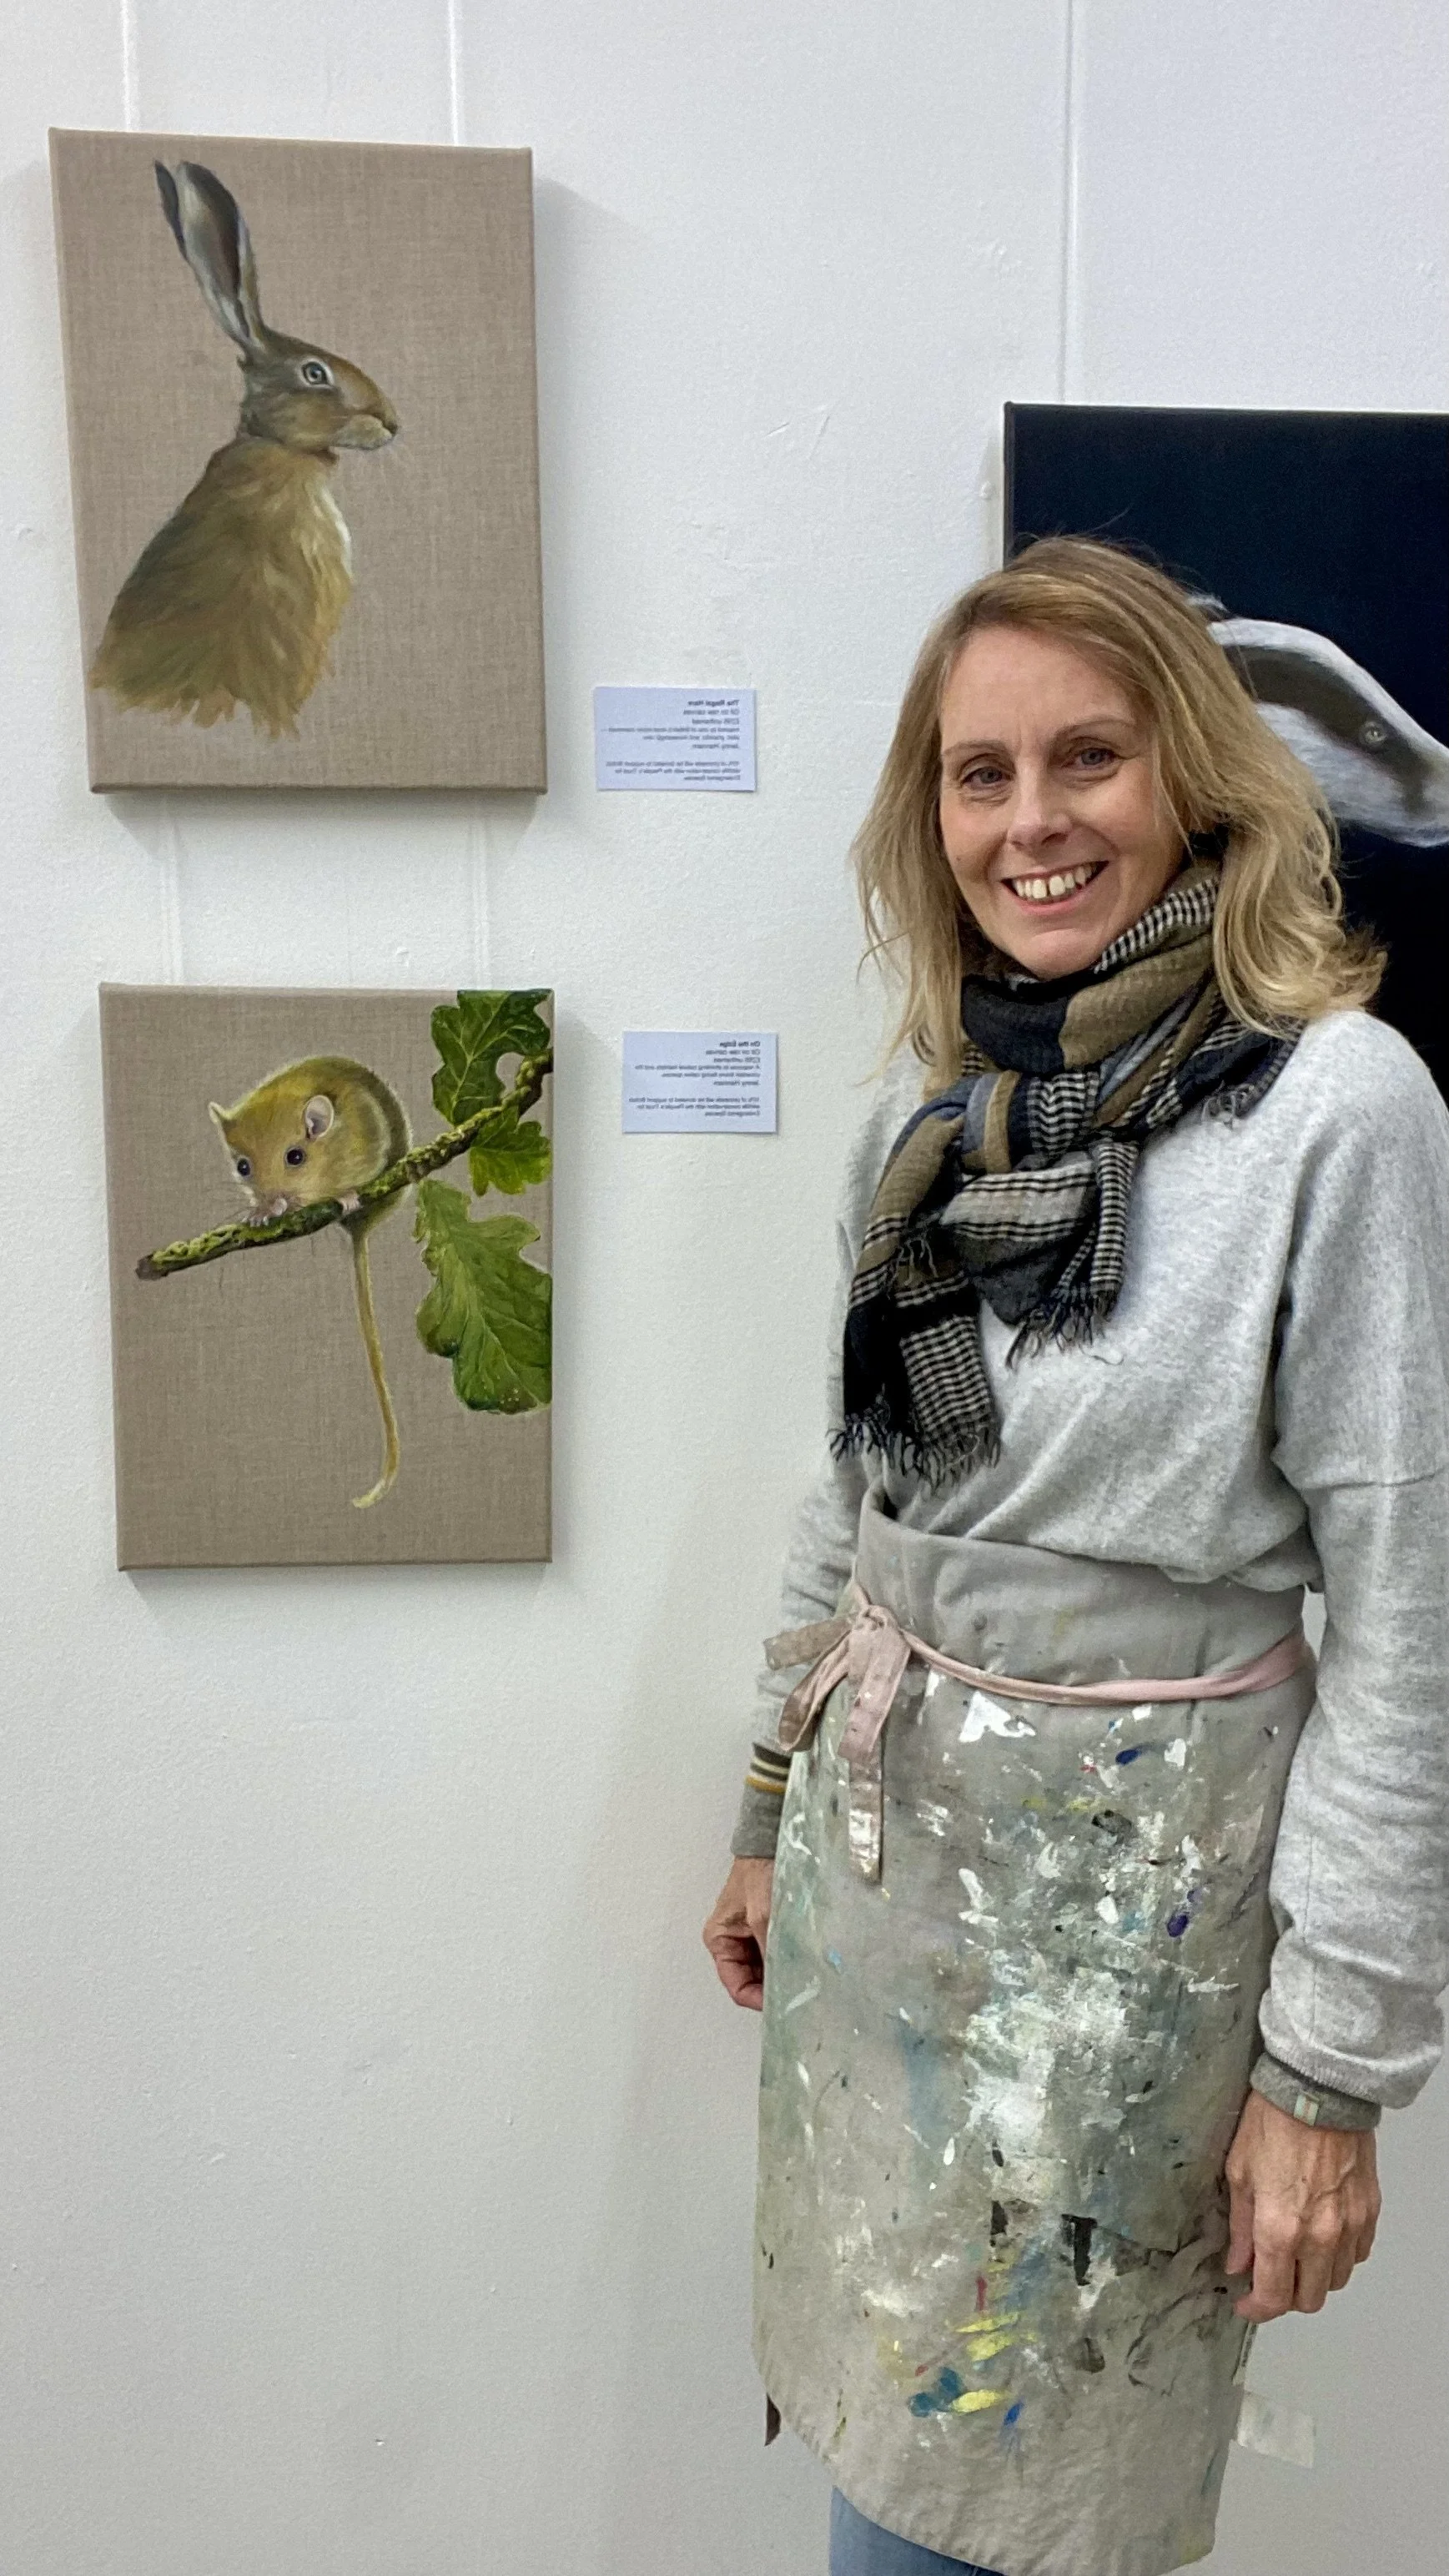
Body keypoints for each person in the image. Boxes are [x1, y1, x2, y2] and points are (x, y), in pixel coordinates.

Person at [702, 538, 1449, 2576]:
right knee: (887, 2436)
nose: (1027, 821)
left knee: (1036, 2494)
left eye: (1085, 757)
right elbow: (856, 1492)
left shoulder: (1337, 1113)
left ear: (1192, 777)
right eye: (977, 773)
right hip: (886, 1874)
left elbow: (1408, 1618)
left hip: (1135, 1919)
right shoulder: (936, 1115)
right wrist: (767, 1794)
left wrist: (1332, 2066)